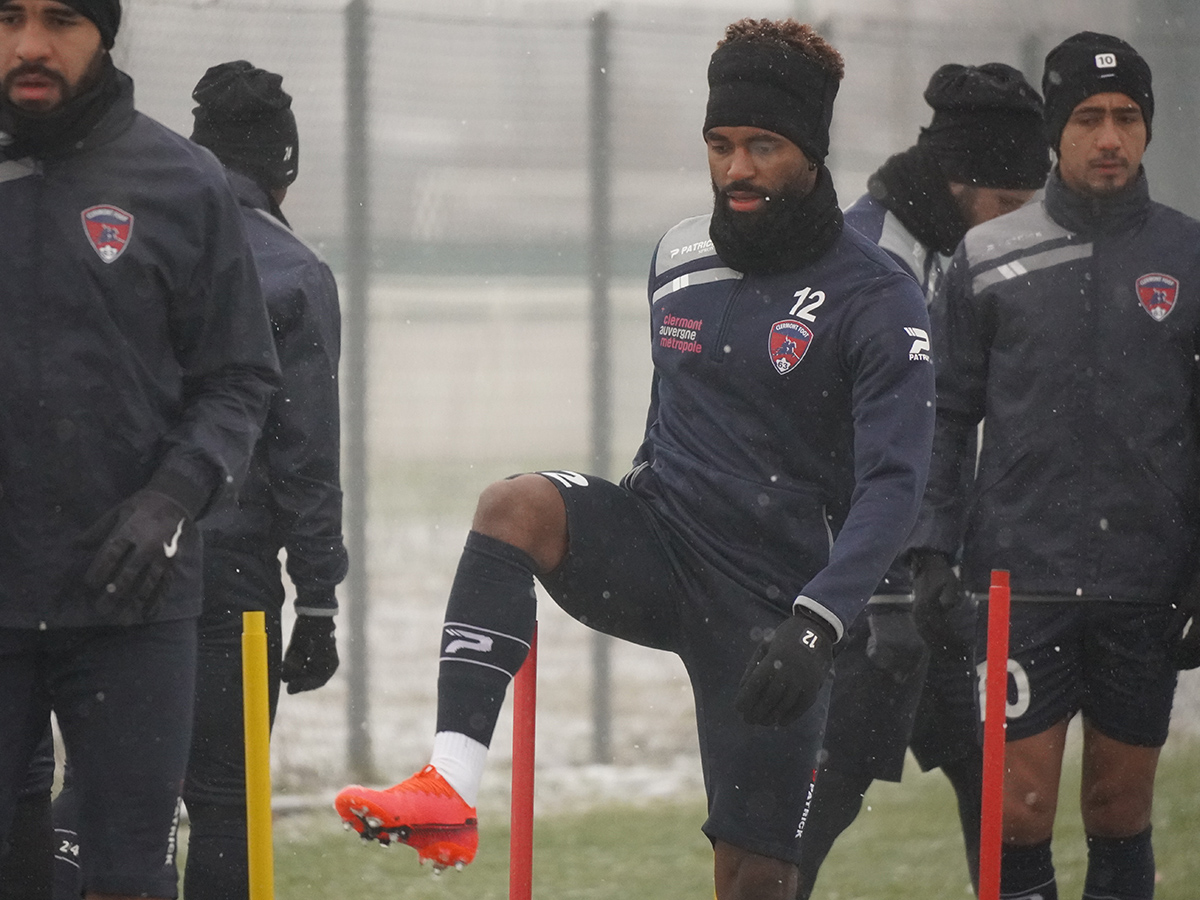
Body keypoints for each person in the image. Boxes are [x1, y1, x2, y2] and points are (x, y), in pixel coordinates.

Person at [333, 18, 936, 900]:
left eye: (763, 146)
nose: (737, 169)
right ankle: (450, 788)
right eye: (721, 144)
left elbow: (896, 484)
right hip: (660, 548)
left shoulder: (878, 295)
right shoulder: (679, 255)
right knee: (514, 506)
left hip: (775, 611)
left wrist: (819, 623)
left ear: (810, 153)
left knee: (758, 880)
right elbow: (674, 406)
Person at [41, 60, 350, 900]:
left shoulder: (125, 230)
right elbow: (305, 453)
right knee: (224, 804)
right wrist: (319, 597)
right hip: (227, 573)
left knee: (96, 794)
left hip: (109, 557)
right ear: (286, 167)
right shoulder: (293, 272)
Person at [908, 31, 1200, 900]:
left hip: (1143, 587)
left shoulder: (1187, 257)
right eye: (1087, 118)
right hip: (1018, 585)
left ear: (1146, 128)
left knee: (1118, 808)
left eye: (1125, 118)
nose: (1108, 137)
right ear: (1055, 133)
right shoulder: (988, 257)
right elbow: (947, 415)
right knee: (1019, 810)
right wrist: (930, 547)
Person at [0, 1, 280, 898]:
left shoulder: (180, 181)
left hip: (131, 603)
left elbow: (239, 377)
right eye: (6, 17)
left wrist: (172, 497)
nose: (30, 46)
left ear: (105, 32)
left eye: (60, 19)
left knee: (128, 871)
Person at [796, 62, 1049, 898]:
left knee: (997, 791)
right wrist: (883, 593)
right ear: (957, 181)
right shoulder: (865, 255)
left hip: (938, 584)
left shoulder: (964, 252)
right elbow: (837, 441)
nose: (1024, 225)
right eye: (1010, 205)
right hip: (864, 597)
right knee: (819, 800)